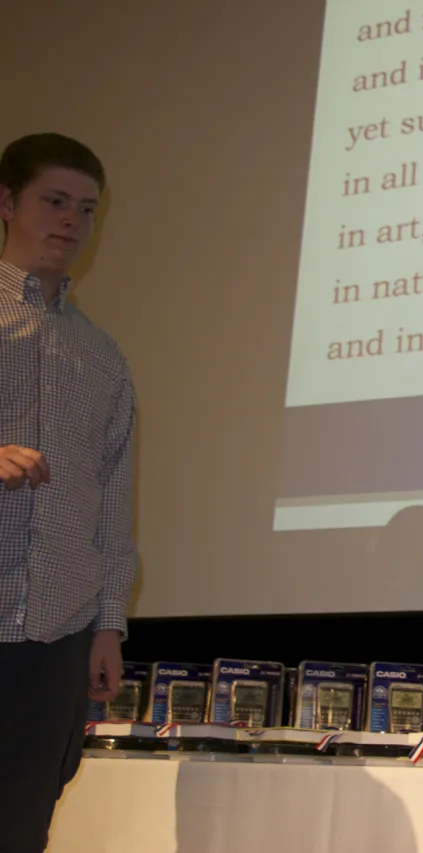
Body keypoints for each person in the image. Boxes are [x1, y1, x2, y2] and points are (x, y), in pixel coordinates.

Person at [0, 132, 138, 852]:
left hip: (56, 635)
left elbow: (113, 503)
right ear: (5, 203)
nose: (70, 222)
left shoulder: (102, 355)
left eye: (86, 208)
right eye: (53, 201)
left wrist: (108, 623)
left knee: (21, 828)